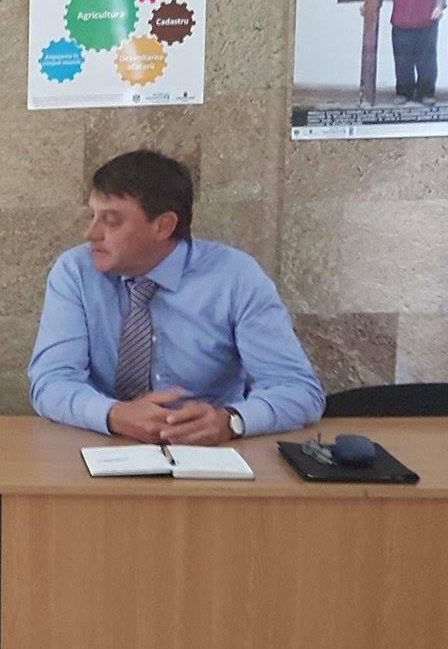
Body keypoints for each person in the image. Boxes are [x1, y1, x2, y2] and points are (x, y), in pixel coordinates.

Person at [27, 150, 324, 445]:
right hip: (102, 443)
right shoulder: (76, 271)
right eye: (92, 216)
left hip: (210, 450)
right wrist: (115, 415)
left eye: (112, 221)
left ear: (163, 226)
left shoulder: (236, 277)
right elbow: (51, 382)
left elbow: (299, 390)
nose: (90, 233)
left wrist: (231, 421)